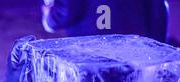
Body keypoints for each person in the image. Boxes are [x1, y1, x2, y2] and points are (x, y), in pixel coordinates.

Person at [41, 0, 169, 43]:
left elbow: (67, 11)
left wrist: (50, 19)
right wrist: (156, 44)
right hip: (134, 43)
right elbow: (158, 9)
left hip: (90, 44)